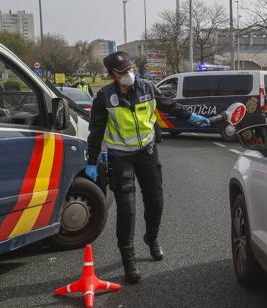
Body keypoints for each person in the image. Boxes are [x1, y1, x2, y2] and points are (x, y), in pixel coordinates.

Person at [85, 51, 210, 283]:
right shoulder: (104, 97)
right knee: (127, 210)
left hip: (148, 154)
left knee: (156, 202)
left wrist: (190, 117)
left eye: (131, 69)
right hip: (120, 157)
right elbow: (96, 132)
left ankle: (151, 238)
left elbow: (169, 106)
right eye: (123, 72)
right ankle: (129, 259)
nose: (129, 74)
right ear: (112, 75)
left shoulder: (147, 88)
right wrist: (92, 162)